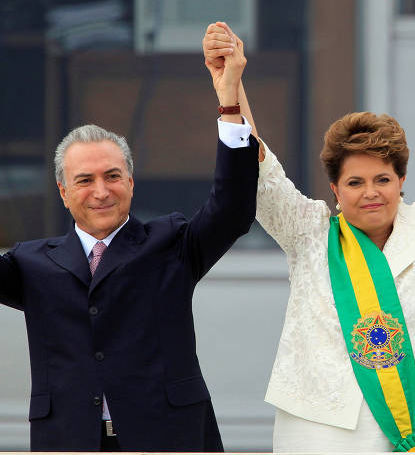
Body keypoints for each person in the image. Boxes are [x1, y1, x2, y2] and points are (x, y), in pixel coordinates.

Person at [202, 17, 415, 451]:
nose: (370, 193)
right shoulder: (309, 234)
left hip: (413, 428)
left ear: (401, 180)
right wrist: (230, 89)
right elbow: (260, 171)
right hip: (319, 426)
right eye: (355, 183)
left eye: (382, 179)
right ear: (335, 190)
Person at [0, 28, 260, 451]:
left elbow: (233, 208)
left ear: (132, 183)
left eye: (113, 176)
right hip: (69, 440)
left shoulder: (171, 243)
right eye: (84, 180)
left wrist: (229, 98)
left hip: (167, 438)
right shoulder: (31, 264)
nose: (101, 191)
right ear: (63, 193)